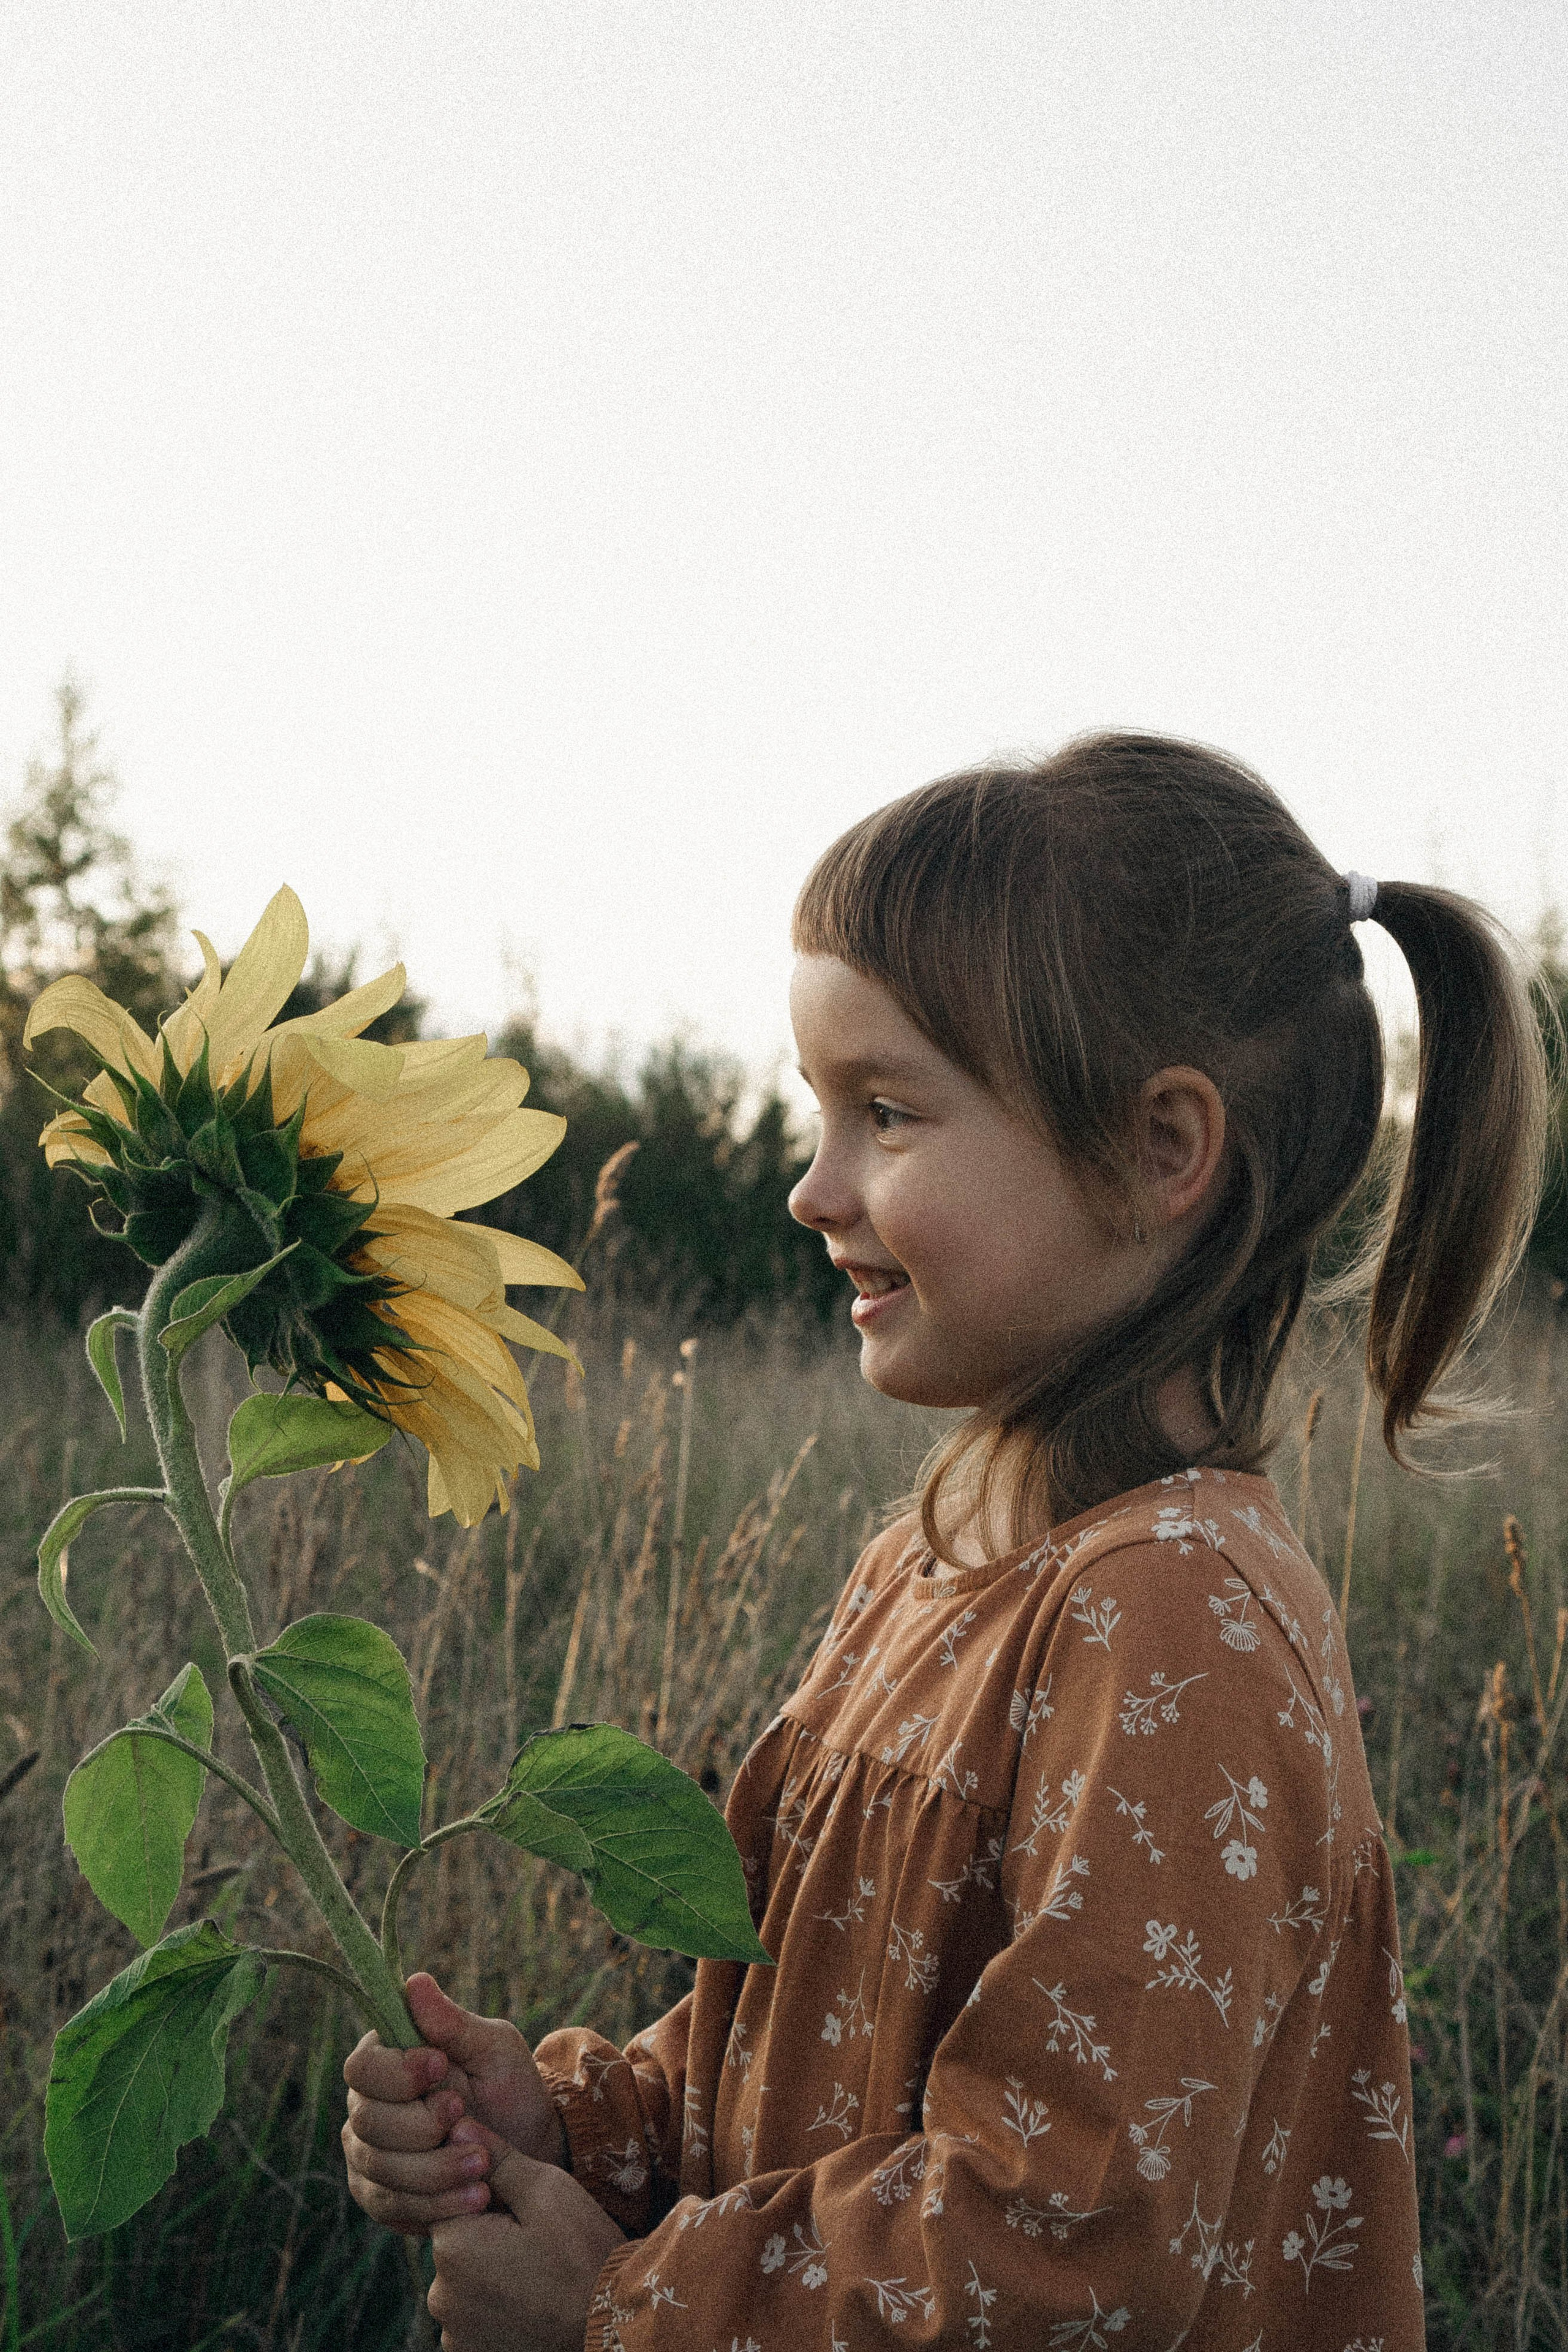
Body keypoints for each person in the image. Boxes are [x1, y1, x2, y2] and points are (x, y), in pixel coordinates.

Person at [342, 734, 1548, 2348]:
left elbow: (1064, 2244)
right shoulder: (938, 1555)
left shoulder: (1176, 1618)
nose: (811, 1186)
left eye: (888, 1113)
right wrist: (581, 2130)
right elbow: (802, 2053)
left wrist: (625, 2308)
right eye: (817, 1109)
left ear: (1159, 1153)